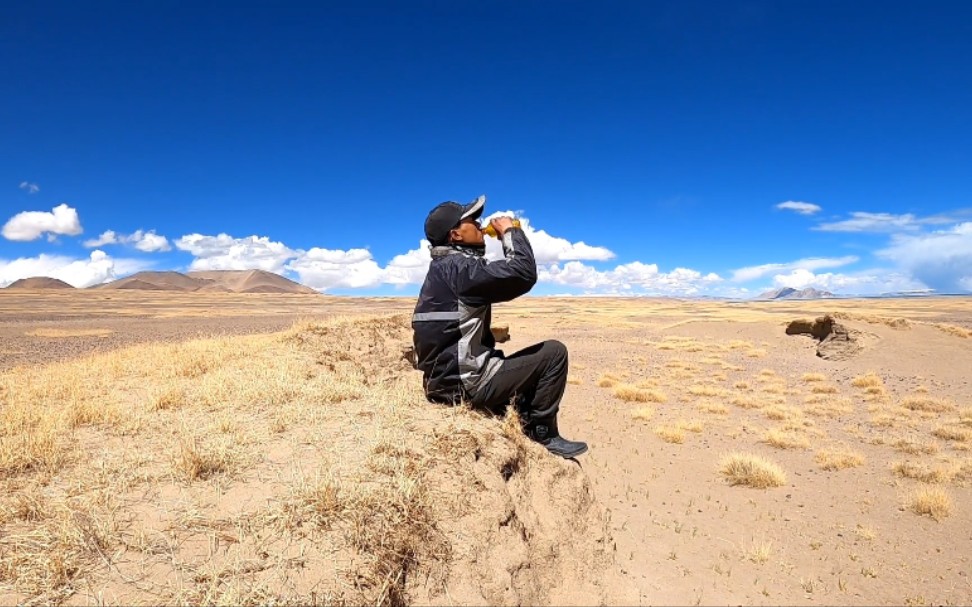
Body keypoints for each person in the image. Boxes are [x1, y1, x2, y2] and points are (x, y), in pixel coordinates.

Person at [411, 195, 588, 458]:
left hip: (440, 384)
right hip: (466, 385)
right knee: (554, 353)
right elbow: (522, 273)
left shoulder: (440, 271)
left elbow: (448, 329)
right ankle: (542, 434)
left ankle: (518, 410)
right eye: (472, 220)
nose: (481, 225)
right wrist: (511, 232)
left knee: (509, 362)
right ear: (456, 235)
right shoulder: (460, 269)